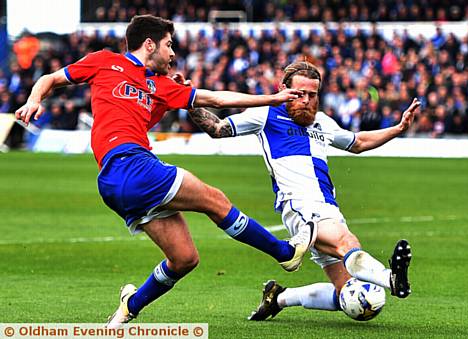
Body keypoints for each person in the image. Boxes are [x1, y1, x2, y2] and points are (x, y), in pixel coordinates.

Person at [14, 15, 317, 328]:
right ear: (149, 44)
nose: (173, 54)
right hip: (130, 165)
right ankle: (285, 253)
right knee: (214, 200)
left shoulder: (160, 86)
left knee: (185, 259)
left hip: (120, 180)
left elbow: (215, 98)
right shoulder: (104, 62)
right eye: (169, 45)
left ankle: (128, 308)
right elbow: (49, 79)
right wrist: (34, 100)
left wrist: (179, 97)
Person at [186, 61, 418, 319]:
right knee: (347, 243)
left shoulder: (322, 122)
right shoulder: (266, 115)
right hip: (301, 206)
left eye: (313, 94)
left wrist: (399, 128)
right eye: (299, 94)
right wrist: (189, 103)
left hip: (328, 207)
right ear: (283, 90)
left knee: (351, 298)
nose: (306, 100)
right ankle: (392, 279)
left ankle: (279, 297)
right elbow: (218, 129)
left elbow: (359, 142)